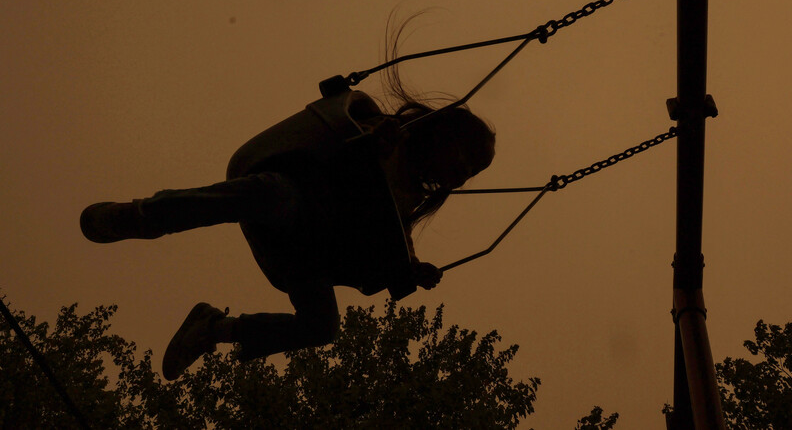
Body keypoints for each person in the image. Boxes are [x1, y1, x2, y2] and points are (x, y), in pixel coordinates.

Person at [80, 72, 495, 381]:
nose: (457, 176)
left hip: (306, 250)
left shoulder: (408, 200)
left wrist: (410, 267)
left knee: (323, 327)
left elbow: (392, 239)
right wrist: (374, 140)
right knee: (273, 196)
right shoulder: (389, 134)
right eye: (460, 161)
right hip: (286, 192)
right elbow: (345, 137)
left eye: (467, 173)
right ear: (441, 135)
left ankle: (214, 328)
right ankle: (144, 216)